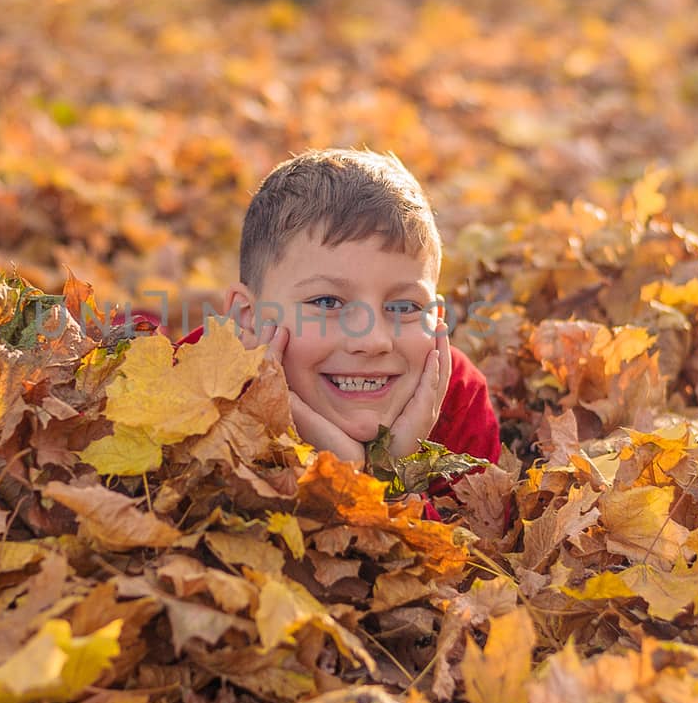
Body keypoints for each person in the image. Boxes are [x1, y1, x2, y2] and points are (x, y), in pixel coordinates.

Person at [179, 148, 501, 480]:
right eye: (328, 302)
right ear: (247, 316)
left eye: (404, 307)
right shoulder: (187, 387)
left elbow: (473, 530)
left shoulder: (459, 400)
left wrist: (386, 478)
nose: (373, 340)